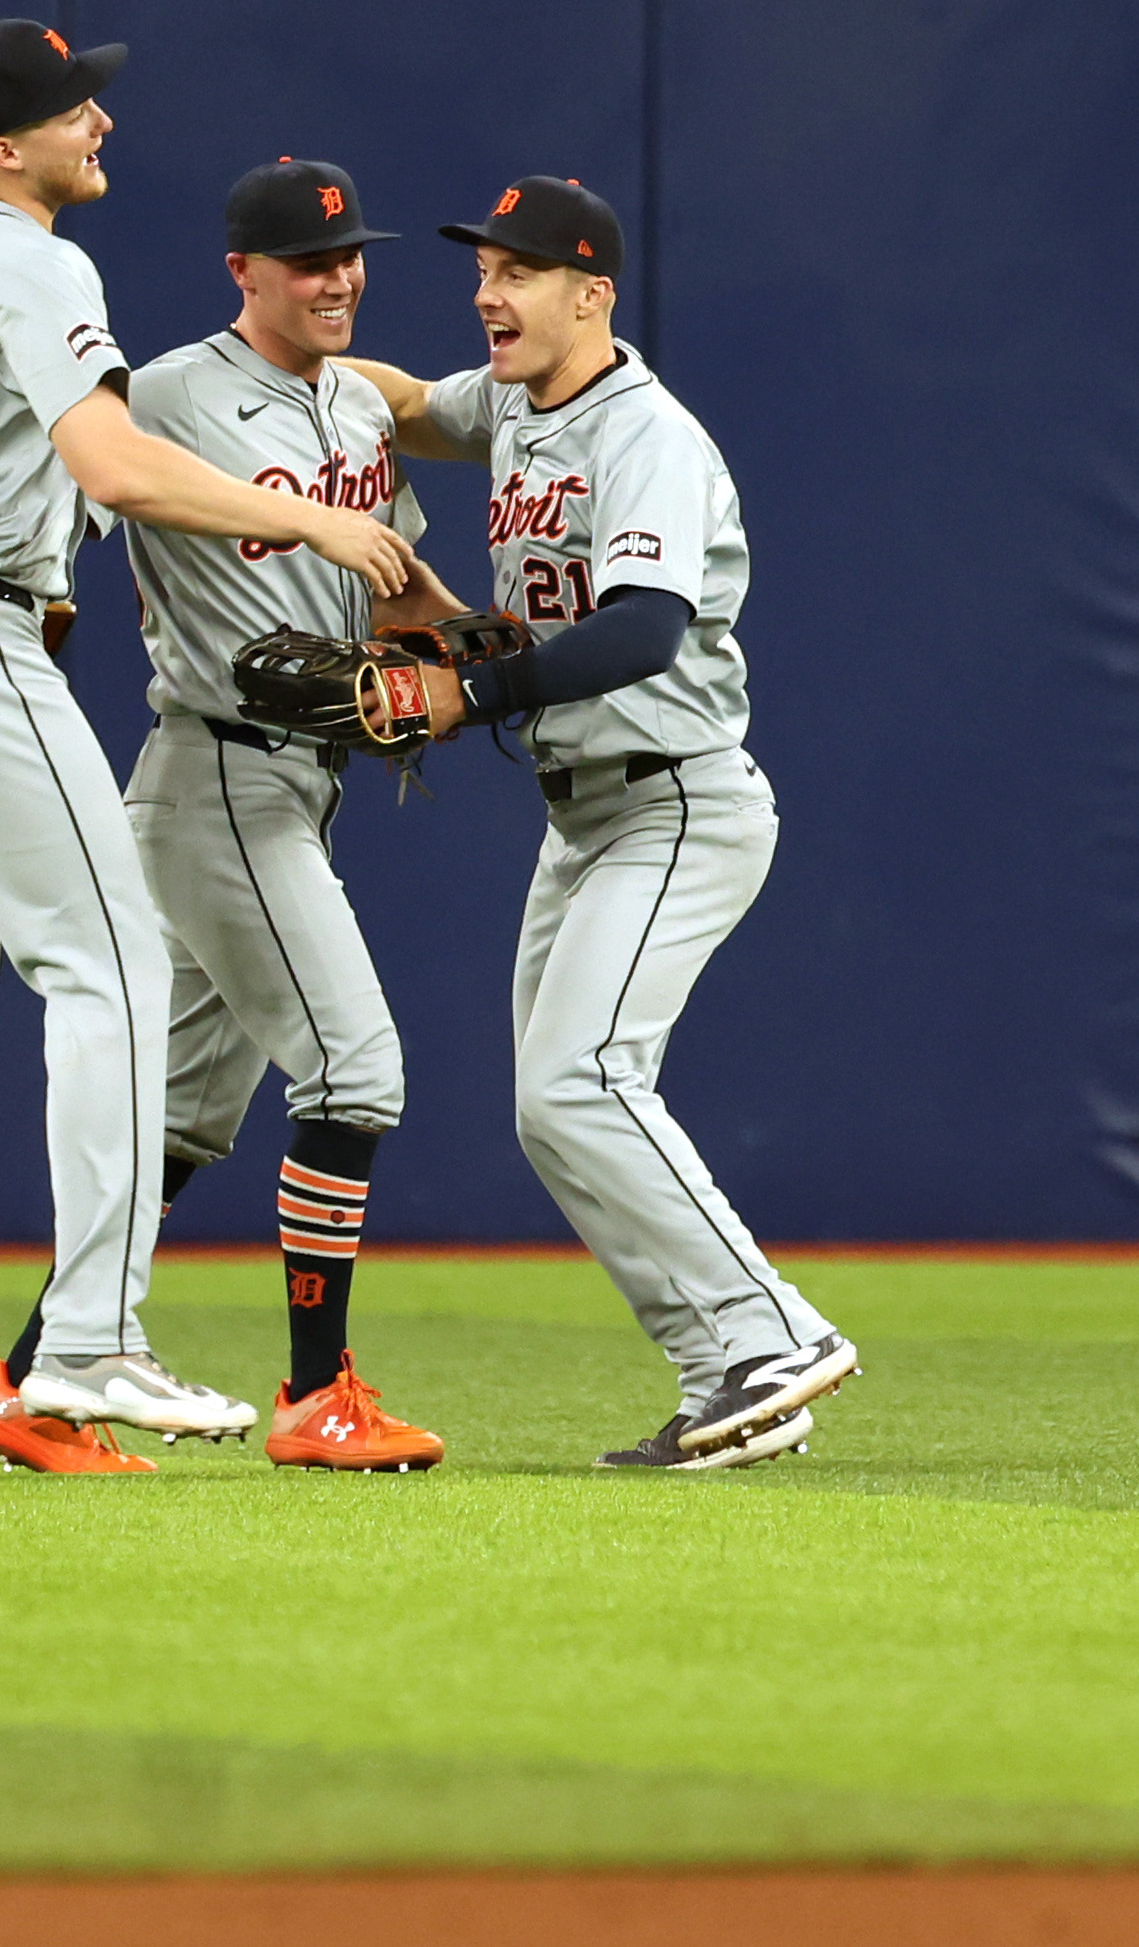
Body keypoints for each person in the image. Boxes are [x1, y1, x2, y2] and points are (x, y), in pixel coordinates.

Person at [0, 22, 411, 1475]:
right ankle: (92, 1341)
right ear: (4, 143)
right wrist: (305, 514)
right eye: (67, 106)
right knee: (105, 967)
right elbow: (111, 467)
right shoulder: (34, 259)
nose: (96, 118)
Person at [341, 175, 858, 1471]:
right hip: (582, 813)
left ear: (590, 294)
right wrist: (287, 368)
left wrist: (471, 686)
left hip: (674, 793)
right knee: (552, 1103)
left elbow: (641, 629)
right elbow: (404, 405)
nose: (485, 292)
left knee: (582, 1080)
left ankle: (769, 1332)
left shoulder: (646, 435)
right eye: (479, 270)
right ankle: (726, 1378)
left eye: (516, 272)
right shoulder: (515, 399)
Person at [0, 159, 450, 1475]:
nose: (337, 277)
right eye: (307, 259)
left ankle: (23, 1378)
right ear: (243, 270)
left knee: (175, 1121)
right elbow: (75, 497)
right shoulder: (167, 391)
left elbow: (396, 586)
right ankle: (316, 1390)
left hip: (298, 781)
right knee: (356, 1068)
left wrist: (475, 647)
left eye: (350, 254)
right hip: (218, 772)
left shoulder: (355, 406)